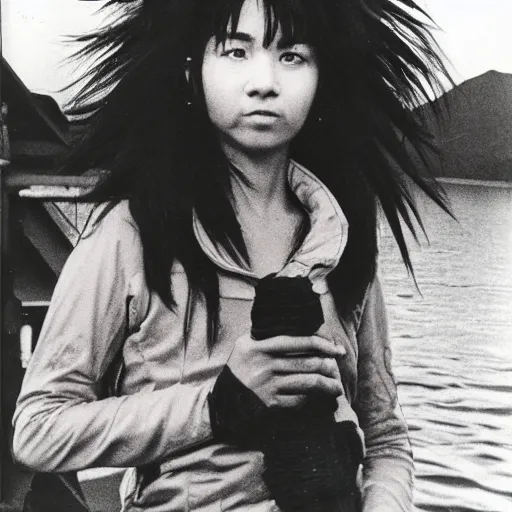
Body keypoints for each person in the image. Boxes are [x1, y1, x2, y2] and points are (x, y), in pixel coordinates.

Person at [12, 0, 452, 511]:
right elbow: (38, 430)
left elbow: (385, 437)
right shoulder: (132, 233)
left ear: (323, 77)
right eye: (235, 51)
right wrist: (218, 404)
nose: (264, 82)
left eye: (293, 57)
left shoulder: (340, 240)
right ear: (191, 69)